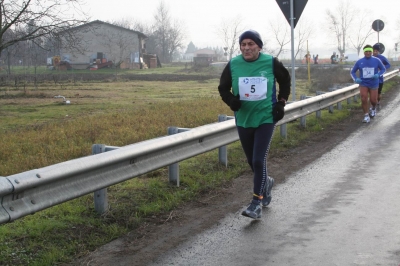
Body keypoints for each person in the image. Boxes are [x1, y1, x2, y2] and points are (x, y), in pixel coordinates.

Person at [218, 30, 291, 219]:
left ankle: (256, 203)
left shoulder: (270, 62)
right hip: (244, 119)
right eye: (243, 44)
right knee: (252, 161)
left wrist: (281, 103)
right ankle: (267, 182)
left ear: (259, 46)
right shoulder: (234, 64)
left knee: (259, 160)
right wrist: (231, 101)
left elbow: (285, 81)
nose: (247, 48)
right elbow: (223, 88)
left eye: (251, 44)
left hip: (266, 117)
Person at [350, 44, 386, 123]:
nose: (368, 53)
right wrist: (356, 79)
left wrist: (378, 75)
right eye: (366, 51)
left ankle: (373, 108)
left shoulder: (376, 60)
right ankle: (366, 115)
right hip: (363, 83)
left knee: (373, 100)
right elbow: (352, 72)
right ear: (364, 52)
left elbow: (383, 69)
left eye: (370, 51)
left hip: (373, 83)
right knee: (363, 99)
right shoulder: (360, 61)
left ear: (372, 52)